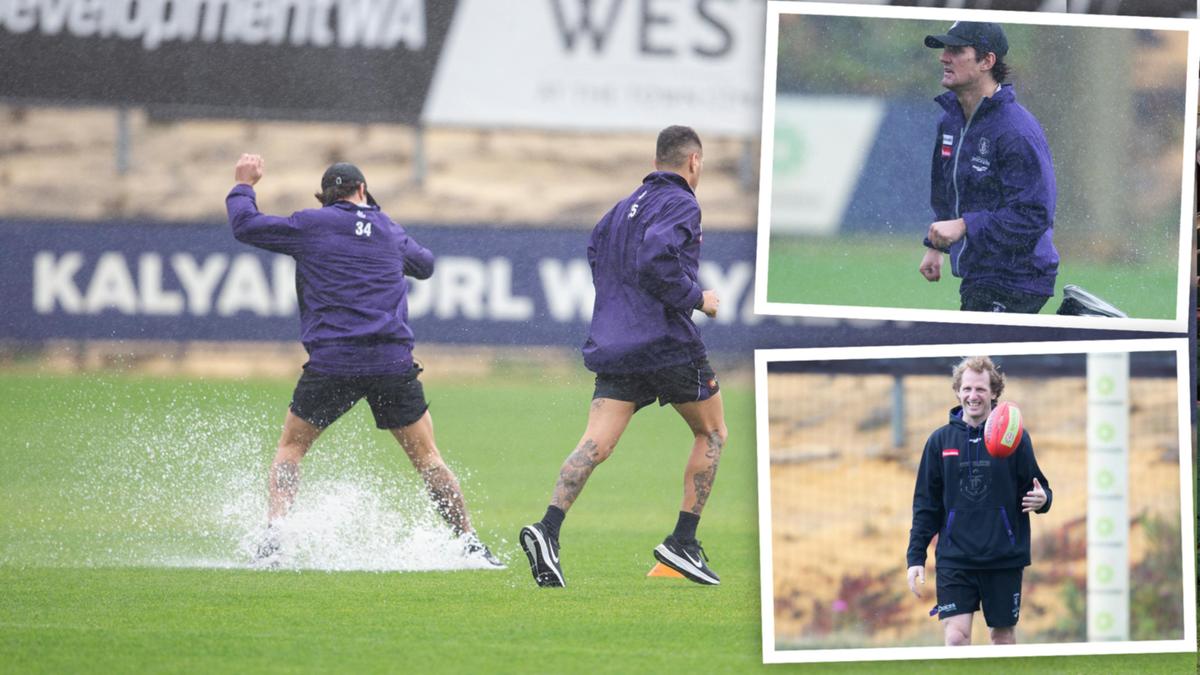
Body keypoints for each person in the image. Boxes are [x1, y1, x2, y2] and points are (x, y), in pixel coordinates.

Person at [225, 154, 502, 568]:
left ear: (325, 197)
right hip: (391, 361)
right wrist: (378, 228)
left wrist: (244, 184)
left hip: (333, 360)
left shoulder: (311, 224)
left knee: (291, 448)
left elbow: (245, 225)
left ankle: (274, 540)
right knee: (428, 458)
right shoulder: (388, 229)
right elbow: (424, 265)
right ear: (362, 190)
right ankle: (469, 543)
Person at [518, 126, 728, 587]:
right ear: (693, 162)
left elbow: (599, 258)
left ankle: (548, 529)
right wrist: (698, 298)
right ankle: (682, 543)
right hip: (667, 343)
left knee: (595, 444)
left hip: (616, 344)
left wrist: (623, 313)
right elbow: (655, 258)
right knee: (711, 432)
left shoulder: (617, 210)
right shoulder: (683, 202)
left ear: (656, 160)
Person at [906, 356, 1052, 645]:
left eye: (981, 390)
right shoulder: (940, 441)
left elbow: (1039, 486)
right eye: (967, 389)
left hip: (1003, 557)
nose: (973, 396)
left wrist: (1043, 499)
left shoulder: (1015, 437)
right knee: (956, 639)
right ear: (958, 391)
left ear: (994, 392)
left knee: (1002, 638)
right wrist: (915, 556)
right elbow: (926, 505)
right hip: (955, 559)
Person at [918, 21, 1059, 313]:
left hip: (1017, 278)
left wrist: (965, 225)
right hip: (980, 273)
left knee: (978, 357)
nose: (944, 57)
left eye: (956, 50)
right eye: (945, 49)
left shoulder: (1016, 131)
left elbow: (1034, 215)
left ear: (987, 61)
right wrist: (936, 246)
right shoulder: (949, 121)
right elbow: (945, 191)